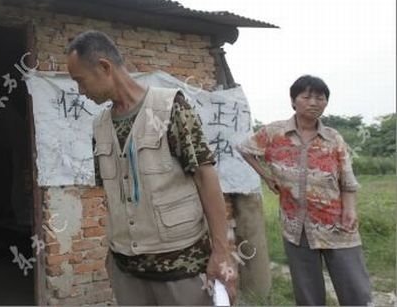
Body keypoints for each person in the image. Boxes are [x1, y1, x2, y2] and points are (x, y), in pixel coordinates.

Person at [65, 30, 237, 306]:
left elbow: (206, 177)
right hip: (128, 274)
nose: (80, 91)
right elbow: (114, 195)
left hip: (182, 272)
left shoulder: (170, 107)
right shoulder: (100, 126)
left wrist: (221, 252)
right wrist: (113, 255)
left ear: (104, 67)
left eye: (80, 81)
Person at [237, 75, 372, 306]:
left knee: (355, 290)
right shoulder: (273, 133)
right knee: (308, 294)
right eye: (306, 96)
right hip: (296, 226)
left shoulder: (333, 138)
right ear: (293, 101)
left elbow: (348, 180)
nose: (313, 102)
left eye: (320, 97)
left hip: (336, 224)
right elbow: (244, 149)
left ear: (326, 103)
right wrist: (267, 177)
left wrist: (350, 210)